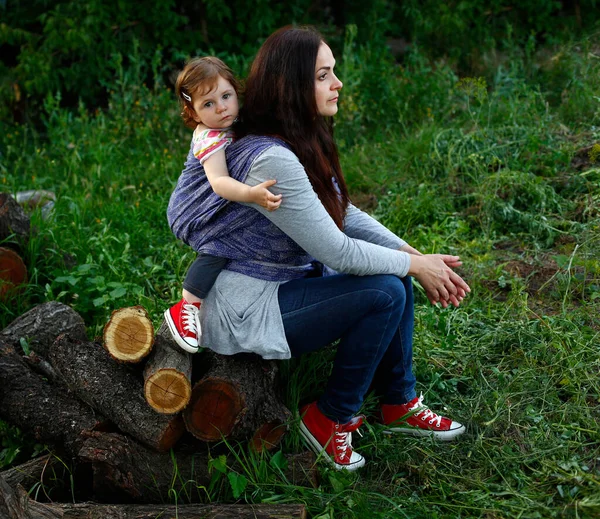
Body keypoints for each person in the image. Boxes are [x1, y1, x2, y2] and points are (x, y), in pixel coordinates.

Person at [167, 26, 471, 470]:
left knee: (397, 281)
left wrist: (415, 256)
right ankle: (330, 419)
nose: (338, 83)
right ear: (293, 86)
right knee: (387, 288)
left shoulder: (295, 137)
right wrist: (413, 264)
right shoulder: (270, 157)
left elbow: (341, 211)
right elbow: (338, 250)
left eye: (334, 72)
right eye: (324, 75)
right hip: (244, 303)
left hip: (280, 281)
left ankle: (398, 402)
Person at [164, 57, 282, 353]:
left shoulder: (230, 123)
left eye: (226, 96)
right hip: (193, 207)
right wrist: (252, 194)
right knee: (218, 248)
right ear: (192, 112)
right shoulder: (209, 136)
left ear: (236, 91)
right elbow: (218, 182)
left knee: (232, 244)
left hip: (216, 202)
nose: (221, 108)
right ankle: (186, 307)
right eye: (208, 104)